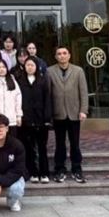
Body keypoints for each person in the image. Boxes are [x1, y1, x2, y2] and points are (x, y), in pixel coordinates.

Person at [47, 46, 87, 183]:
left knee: (75, 143)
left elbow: (83, 92)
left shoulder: (78, 71)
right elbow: (48, 93)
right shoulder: (49, 71)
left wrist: (83, 110)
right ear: (55, 57)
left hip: (74, 113)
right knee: (60, 143)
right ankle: (59, 169)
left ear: (69, 55)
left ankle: (77, 169)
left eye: (64, 53)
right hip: (58, 113)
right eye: (59, 54)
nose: (62, 56)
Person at [17, 57, 52, 183]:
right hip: (26, 120)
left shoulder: (42, 81)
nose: (30, 67)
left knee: (42, 147)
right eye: (28, 65)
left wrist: (47, 118)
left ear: (36, 67)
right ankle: (33, 172)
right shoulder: (20, 81)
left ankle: (44, 173)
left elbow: (47, 100)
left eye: (32, 65)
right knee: (29, 147)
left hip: (41, 119)